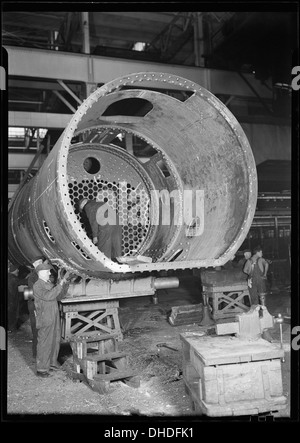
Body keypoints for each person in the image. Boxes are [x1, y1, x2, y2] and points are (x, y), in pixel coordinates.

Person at [33, 262, 70, 378]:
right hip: (45, 318)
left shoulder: (48, 283)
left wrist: (64, 283)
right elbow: (48, 296)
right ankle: (42, 369)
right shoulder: (37, 285)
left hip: (53, 316)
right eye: (48, 271)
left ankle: (52, 364)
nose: (50, 273)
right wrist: (59, 285)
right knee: (44, 343)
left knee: (55, 340)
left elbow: (59, 296)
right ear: (42, 273)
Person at [26, 255, 46, 359]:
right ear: (34, 265)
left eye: (41, 262)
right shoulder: (33, 277)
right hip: (35, 306)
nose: (41, 265)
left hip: (39, 305)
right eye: (38, 263)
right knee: (37, 331)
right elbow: (33, 294)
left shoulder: (41, 275)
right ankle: (37, 354)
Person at [7, 262, 20, 332]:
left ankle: (11, 328)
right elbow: (20, 282)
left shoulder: (9, 277)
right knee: (13, 315)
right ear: (13, 270)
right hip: (11, 301)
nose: (18, 270)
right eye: (17, 269)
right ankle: (11, 329)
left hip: (10, 300)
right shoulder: (13, 278)